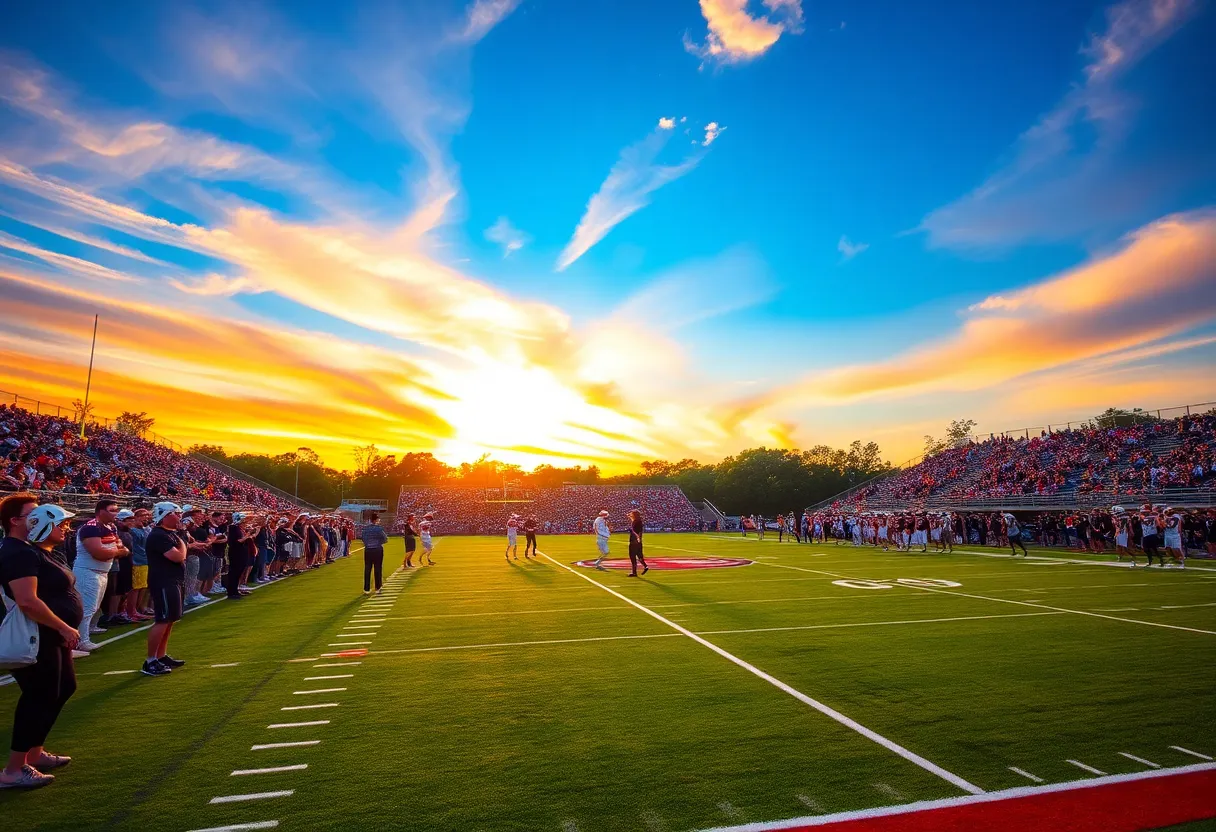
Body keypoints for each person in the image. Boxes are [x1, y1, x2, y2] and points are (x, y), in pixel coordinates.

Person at [0, 496, 81, 789]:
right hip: (38, 634)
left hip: (50, 634)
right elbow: (27, 600)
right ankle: (13, 769)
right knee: (39, 694)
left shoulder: (34, 550)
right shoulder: (17, 553)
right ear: (15, 521)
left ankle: (33, 752)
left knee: (63, 688)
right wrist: (63, 626)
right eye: (33, 513)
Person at [71, 498, 127, 653]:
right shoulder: (91, 527)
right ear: (101, 511)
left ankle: (86, 634)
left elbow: (120, 547)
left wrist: (117, 551)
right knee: (87, 607)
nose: (116, 513)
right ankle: (81, 641)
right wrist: (117, 552)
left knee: (94, 607)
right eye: (112, 510)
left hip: (102, 571)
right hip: (88, 570)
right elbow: (99, 553)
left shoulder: (111, 527)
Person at [141, 502, 188, 677]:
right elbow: (177, 556)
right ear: (166, 515)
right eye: (176, 513)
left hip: (173, 580)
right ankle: (150, 660)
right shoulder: (159, 535)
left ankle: (161, 655)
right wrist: (183, 544)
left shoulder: (169, 534)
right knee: (163, 619)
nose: (179, 517)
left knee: (170, 619)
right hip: (164, 581)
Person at [360, 513, 388, 594]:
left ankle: (366, 589)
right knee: (378, 568)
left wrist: (368, 543)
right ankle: (378, 587)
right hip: (377, 549)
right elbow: (385, 539)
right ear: (376, 520)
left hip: (368, 550)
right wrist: (379, 542)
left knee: (367, 568)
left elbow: (363, 538)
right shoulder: (379, 528)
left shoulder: (365, 529)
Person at [626, 509, 648, 578]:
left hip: (634, 541)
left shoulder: (635, 522)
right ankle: (645, 566)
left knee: (632, 557)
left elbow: (635, 531)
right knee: (639, 556)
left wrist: (631, 531)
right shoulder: (639, 522)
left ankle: (634, 572)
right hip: (639, 542)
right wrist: (629, 516)